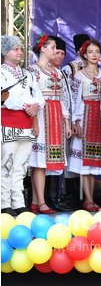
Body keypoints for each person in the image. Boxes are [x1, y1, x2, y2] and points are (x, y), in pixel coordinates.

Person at [28, 34, 72, 214]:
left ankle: (35, 201)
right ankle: (41, 202)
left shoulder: (57, 72)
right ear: (43, 48)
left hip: (55, 117)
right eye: (53, 47)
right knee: (39, 161)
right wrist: (34, 123)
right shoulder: (33, 71)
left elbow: (62, 98)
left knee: (47, 160)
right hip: (41, 116)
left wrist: (66, 122)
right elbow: (31, 99)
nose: (55, 51)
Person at [1, 36, 43, 215]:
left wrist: (36, 105)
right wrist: (26, 105)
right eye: (15, 49)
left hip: (26, 123)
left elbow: (39, 95)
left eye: (21, 49)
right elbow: (4, 98)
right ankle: (4, 203)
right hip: (8, 122)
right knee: (6, 164)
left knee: (21, 166)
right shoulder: (1, 73)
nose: (20, 52)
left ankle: (18, 202)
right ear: (5, 52)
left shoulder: (28, 74)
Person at [66, 39, 101, 211]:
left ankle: (91, 200)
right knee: (85, 162)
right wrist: (76, 121)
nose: (94, 55)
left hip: (100, 118)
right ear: (85, 54)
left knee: (94, 162)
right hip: (85, 116)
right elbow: (74, 99)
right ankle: (88, 200)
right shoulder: (79, 75)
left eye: (97, 51)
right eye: (90, 52)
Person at [61, 33, 91, 209]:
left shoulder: (96, 68)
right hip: (74, 120)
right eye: (85, 48)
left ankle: (87, 197)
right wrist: (72, 121)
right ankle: (71, 197)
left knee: (87, 159)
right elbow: (68, 97)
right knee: (71, 158)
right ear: (79, 50)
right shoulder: (70, 69)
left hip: (91, 119)